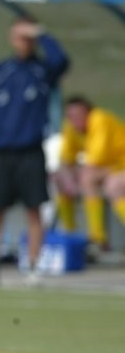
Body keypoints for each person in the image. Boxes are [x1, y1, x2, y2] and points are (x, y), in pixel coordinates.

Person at [0, 19, 69, 284]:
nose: (24, 42)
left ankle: (33, 266)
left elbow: (62, 60)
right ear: (11, 38)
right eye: (19, 36)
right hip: (2, 153)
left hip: (31, 152)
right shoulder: (0, 71)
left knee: (34, 211)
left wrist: (42, 32)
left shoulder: (43, 70)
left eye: (28, 37)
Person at [55, 96, 125, 252]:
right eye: (71, 116)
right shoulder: (70, 126)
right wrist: (67, 178)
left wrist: (75, 179)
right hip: (108, 168)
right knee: (60, 178)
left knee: (107, 185)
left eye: (79, 116)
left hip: (120, 164)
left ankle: (97, 237)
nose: (75, 120)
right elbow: (66, 159)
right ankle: (70, 233)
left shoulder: (99, 119)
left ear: (88, 112)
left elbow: (94, 162)